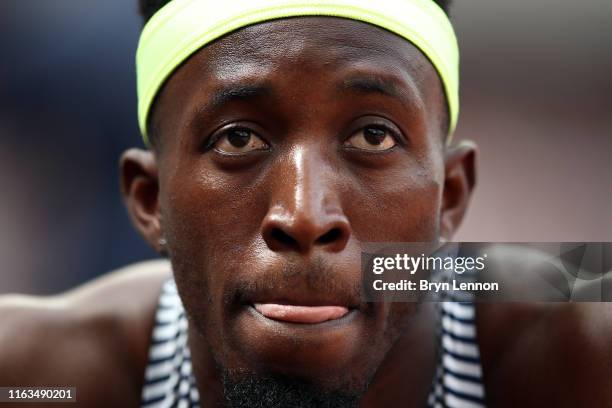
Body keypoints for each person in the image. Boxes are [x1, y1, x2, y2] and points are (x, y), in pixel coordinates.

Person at [1, 0, 610, 407]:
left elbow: (575, 275)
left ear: (450, 196)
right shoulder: (37, 378)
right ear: (149, 199)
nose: (306, 215)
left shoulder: (574, 353)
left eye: (374, 136)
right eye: (238, 138)